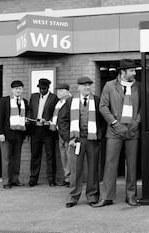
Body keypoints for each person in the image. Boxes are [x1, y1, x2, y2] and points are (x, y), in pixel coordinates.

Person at [93, 59, 141, 207]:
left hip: (132, 130)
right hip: (114, 130)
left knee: (132, 164)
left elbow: (142, 108)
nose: (134, 73)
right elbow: (103, 106)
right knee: (110, 164)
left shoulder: (138, 86)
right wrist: (114, 123)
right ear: (123, 72)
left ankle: (131, 196)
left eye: (134, 70)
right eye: (132, 70)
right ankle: (107, 197)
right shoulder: (110, 86)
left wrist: (136, 122)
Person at [58, 76, 103, 208]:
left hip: (92, 140)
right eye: (84, 85)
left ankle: (92, 196)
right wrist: (69, 138)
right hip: (76, 140)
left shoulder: (96, 100)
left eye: (89, 85)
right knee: (75, 169)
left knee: (93, 169)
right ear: (78, 87)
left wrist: (98, 135)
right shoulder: (71, 101)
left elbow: (102, 120)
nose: (87, 87)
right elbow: (62, 121)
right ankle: (73, 197)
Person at [0, 80, 28, 189]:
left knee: (16, 159)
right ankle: (6, 182)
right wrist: (0, 133)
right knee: (6, 159)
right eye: (16, 89)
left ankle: (15, 179)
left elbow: (25, 119)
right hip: (6, 134)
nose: (18, 90)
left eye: (20, 88)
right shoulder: (5, 101)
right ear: (12, 90)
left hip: (19, 134)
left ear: (22, 90)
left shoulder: (24, 102)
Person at [27, 78, 58, 187]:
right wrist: (29, 119)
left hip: (47, 130)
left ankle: (51, 179)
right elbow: (30, 110)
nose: (41, 91)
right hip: (35, 129)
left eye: (44, 89)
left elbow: (55, 113)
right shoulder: (34, 96)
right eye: (40, 88)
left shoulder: (54, 98)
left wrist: (48, 122)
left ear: (48, 88)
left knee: (50, 155)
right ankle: (33, 178)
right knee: (35, 155)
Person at [49, 83, 72, 187]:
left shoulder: (71, 101)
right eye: (57, 91)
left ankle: (71, 178)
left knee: (69, 155)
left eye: (61, 91)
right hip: (60, 132)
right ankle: (67, 177)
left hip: (68, 132)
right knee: (63, 156)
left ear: (67, 91)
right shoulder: (59, 103)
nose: (58, 93)